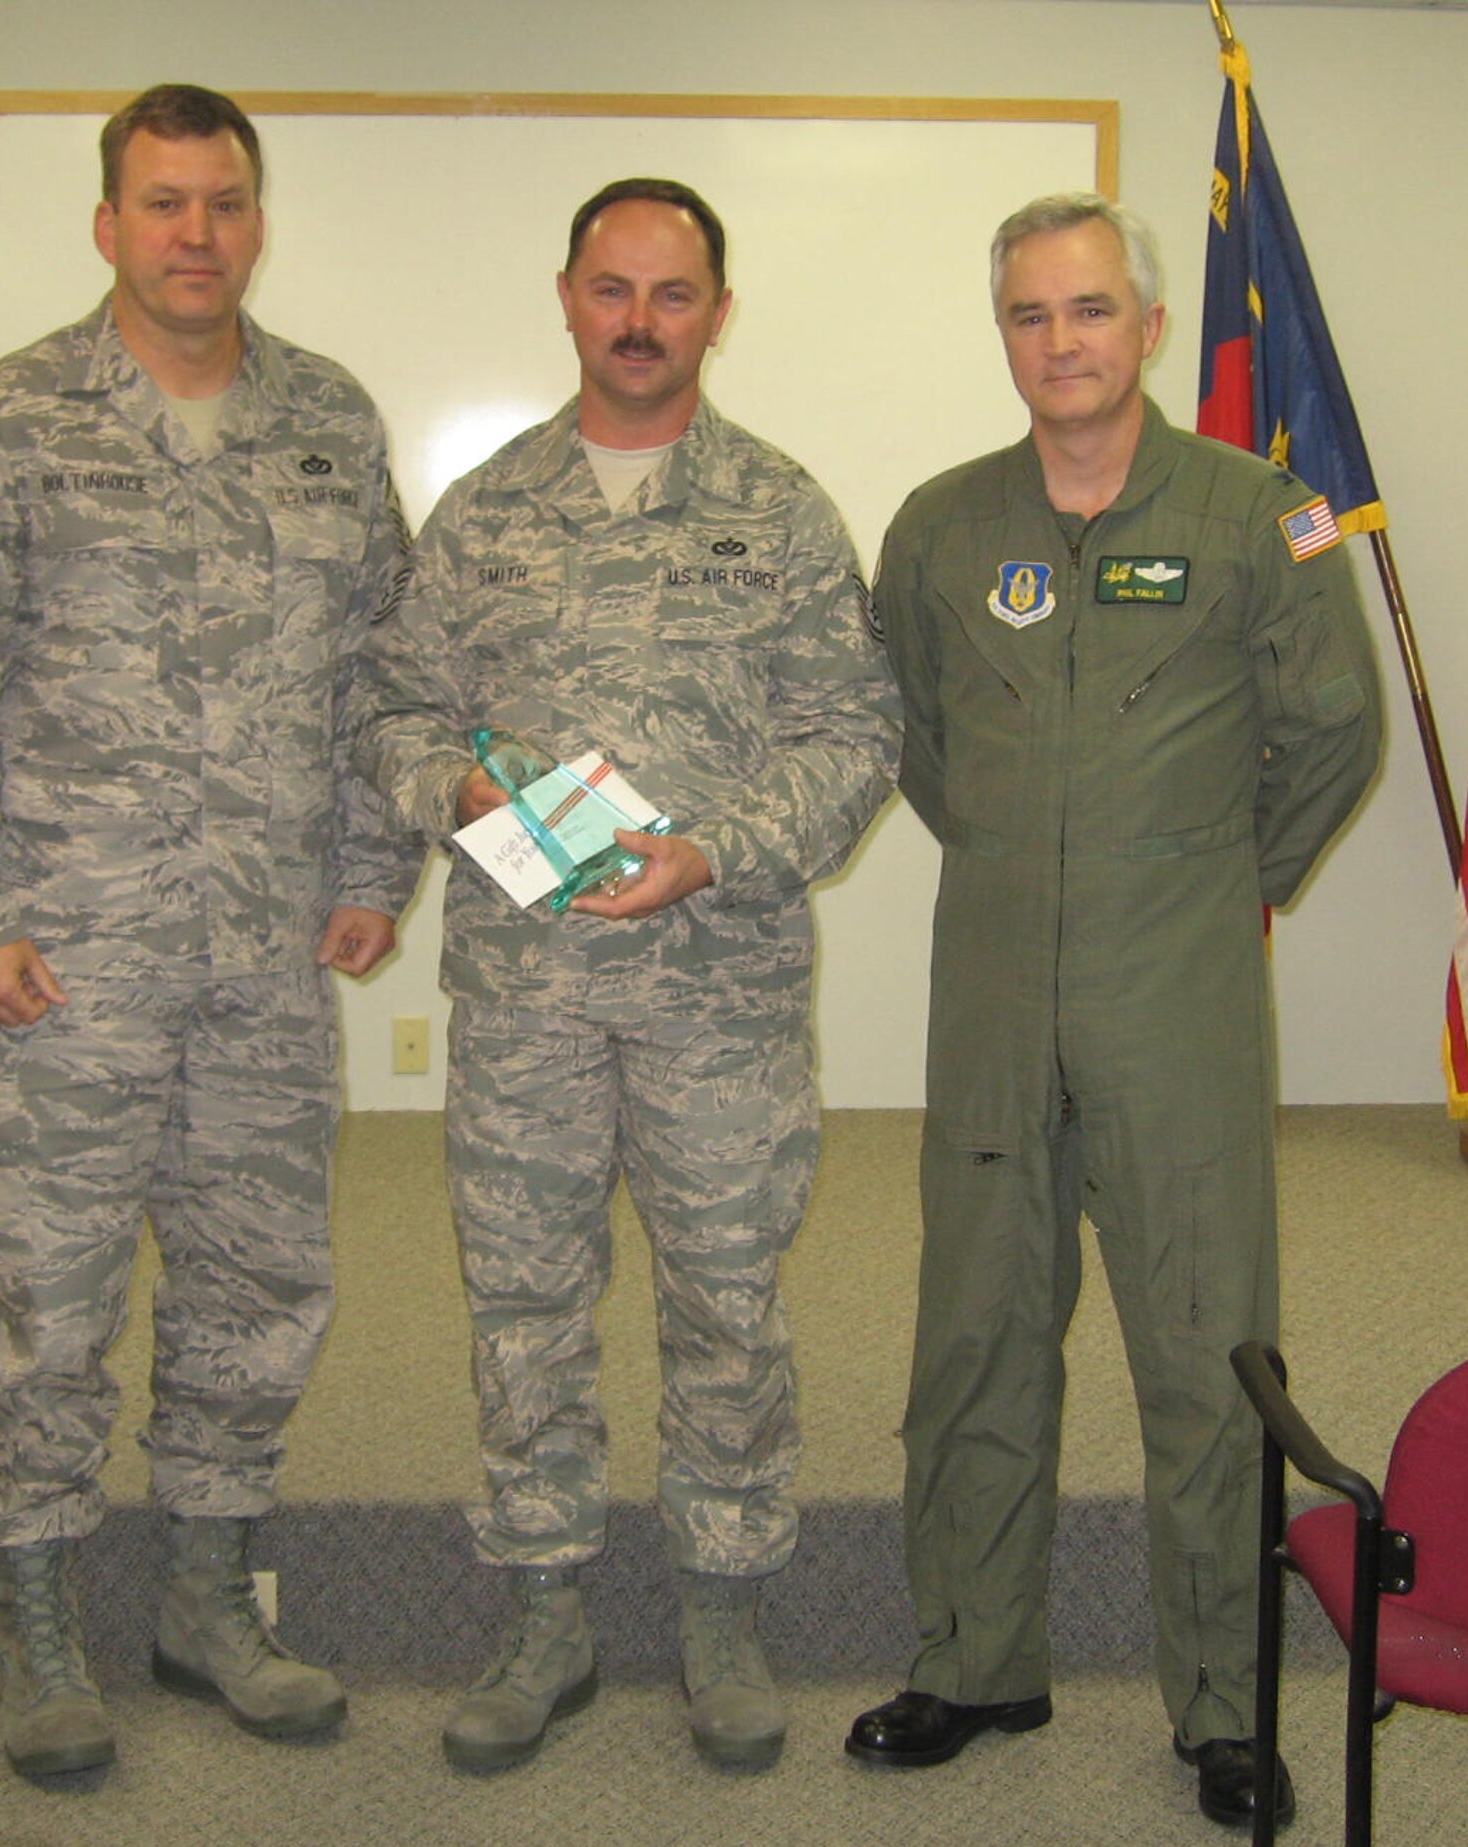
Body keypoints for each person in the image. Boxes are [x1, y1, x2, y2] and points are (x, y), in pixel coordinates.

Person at [0, 83, 421, 1779]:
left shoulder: (329, 420)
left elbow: (383, 673)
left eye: (227, 202)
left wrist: (371, 869)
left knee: (258, 1293)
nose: (199, 234)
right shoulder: (17, 418)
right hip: (60, 970)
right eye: (166, 203)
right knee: (48, 1299)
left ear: (259, 221)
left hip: (261, 968)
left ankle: (204, 1600)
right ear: (109, 225)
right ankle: (37, 1623)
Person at [845, 194, 1380, 1831]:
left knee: (1207, 1350)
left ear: (1148, 327)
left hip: (1178, 997)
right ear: (1001, 331)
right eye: (1028, 315)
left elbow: (1337, 738)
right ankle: (975, 1657)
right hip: (994, 986)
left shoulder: (1260, 516)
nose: (1059, 343)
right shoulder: (941, 524)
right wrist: (1031, 867)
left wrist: (1215, 888)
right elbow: (915, 741)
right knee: (977, 1332)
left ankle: (1223, 1706)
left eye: (1088, 311)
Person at [358, 177, 899, 1773]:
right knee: (524, 1303)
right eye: (613, 289)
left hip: (718, 992)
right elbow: (388, 709)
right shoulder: (486, 514)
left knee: (726, 1301)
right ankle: (544, 1603)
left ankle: (722, 1602)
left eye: (674, 293)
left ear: (717, 313)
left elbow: (858, 735)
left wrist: (719, 846)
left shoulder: (780, 511)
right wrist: (451, 788)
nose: (641, 320)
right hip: (526, 997)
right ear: (568, 297)